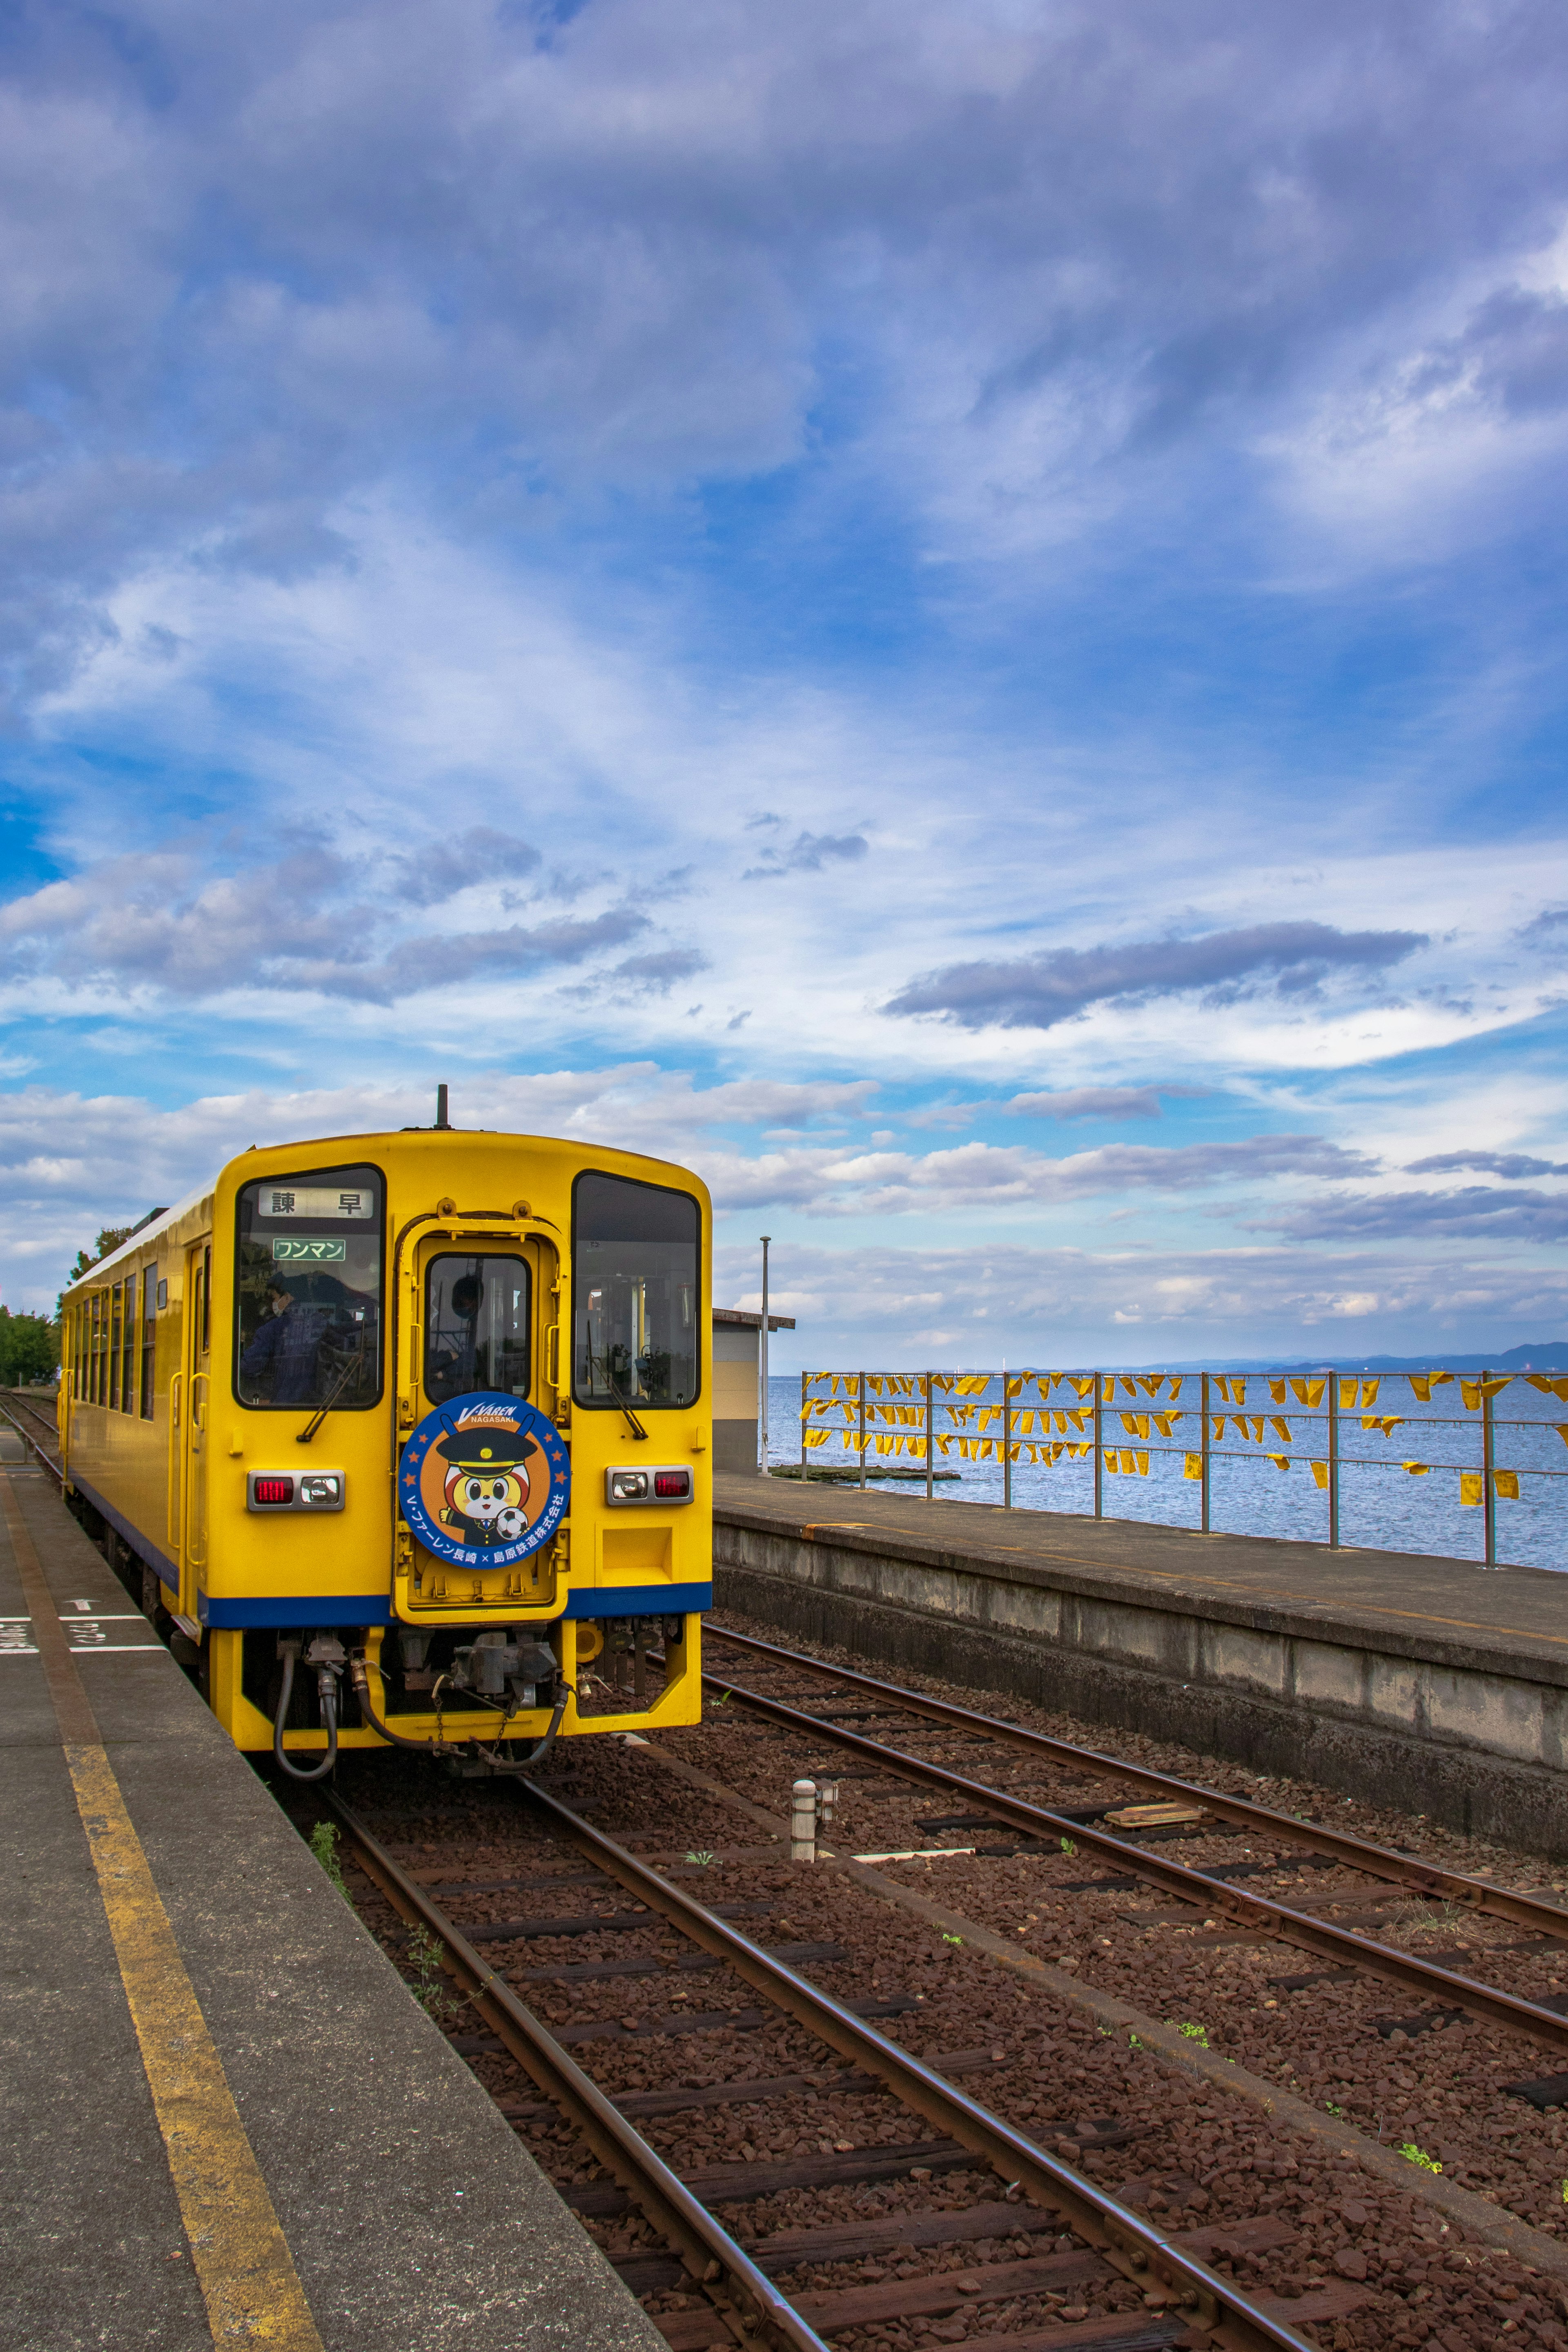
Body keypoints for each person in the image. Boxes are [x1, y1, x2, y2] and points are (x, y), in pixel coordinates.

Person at [241, 1275, 336, 1405]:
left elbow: (251, 1367)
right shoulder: (326, 1324)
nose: (273, 1303)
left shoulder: (272, 1329)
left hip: (284, 1405)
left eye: (274, 1298)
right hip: (327, 1405)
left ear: (288, 1297)